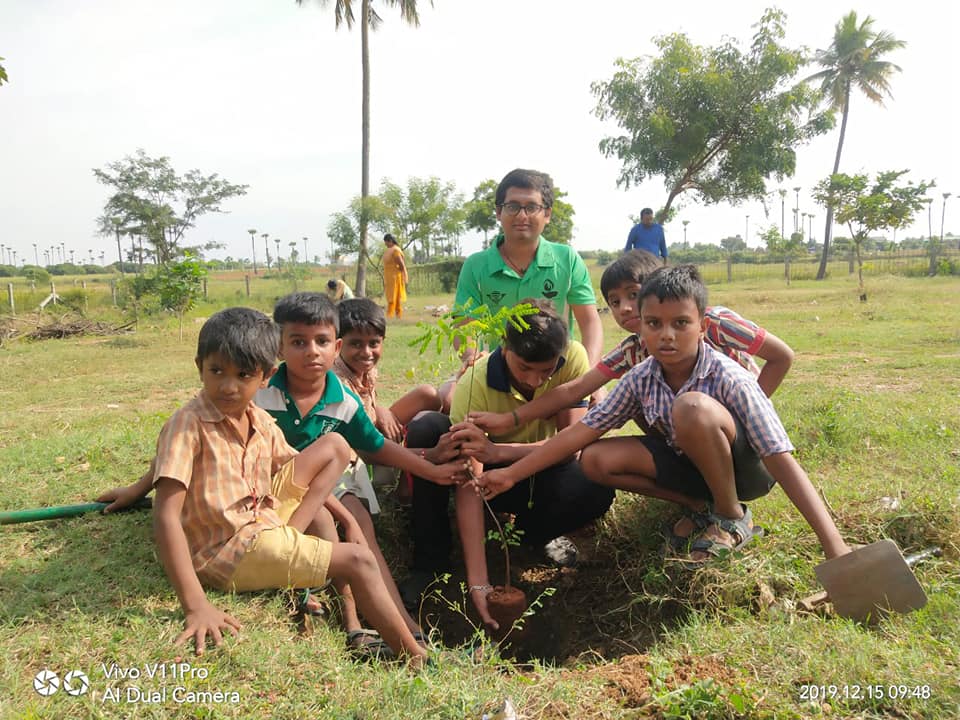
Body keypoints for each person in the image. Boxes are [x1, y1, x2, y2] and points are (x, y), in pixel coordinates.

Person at [476, 266, 851, 567]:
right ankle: (701, 507)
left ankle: (731, 517)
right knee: (594, 458)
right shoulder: (640, 375)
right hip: (691, 463)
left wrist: (834, 546)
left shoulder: (729, 376)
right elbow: (582, 431)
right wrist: (510, 473)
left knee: (691, 406)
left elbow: (779, 459)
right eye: (654, 323)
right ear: (640, 326)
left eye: (680, 323)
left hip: (747, 468)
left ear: (703, 325)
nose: (666, 335)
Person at [142, 307, 428, 662]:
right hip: (228, 551)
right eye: (216, 371)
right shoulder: (187, 425)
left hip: (261, 520)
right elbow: (166, 516)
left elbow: (296, 468)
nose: (228, 386)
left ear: (265, 376)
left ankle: (344, 613)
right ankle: (415, 657)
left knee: (335, 454)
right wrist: (195, 605)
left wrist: (350, 519)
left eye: (243, 374)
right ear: (199, 366)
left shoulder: (258, 419)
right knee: (358, 558)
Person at [400, 301, 615, 624]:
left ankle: (532, 537)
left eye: (546, 370)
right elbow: (468, 482)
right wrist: (478, 582)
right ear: (504, 348)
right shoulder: (476, 385)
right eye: (524, 368)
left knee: (593, 485)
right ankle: (430, 562)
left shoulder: (573, 358)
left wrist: (499, 452)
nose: (535, 380)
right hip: (488, 479)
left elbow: (570, 445)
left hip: (539, 465)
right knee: (428, 429)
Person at [468, 250, 794, 436]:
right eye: (614, 301)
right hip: (688, 428)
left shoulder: (716, 323)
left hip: (731, 421)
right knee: (637, 397)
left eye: (634, 296)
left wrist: (752, 412)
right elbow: (574, 389)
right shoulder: (634, 350)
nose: (624, 308)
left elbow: (781, 357)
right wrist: (513, 419)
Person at [453, 168, 603, 367]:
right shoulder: (476, 265)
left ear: (547, 214)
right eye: (512, 206)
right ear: (499, 212)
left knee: (603, 399)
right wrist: (474, 362)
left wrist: (587, 378)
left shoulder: (567, 259)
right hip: (496, 371)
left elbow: (590, 322)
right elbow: (464, 328)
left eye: (532, 207)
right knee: (445, 397)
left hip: (556, 371)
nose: (522, 215)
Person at [382, 233, 408, 318]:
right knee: (392, 296)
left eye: (386, 242)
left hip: (395, 277)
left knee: (393, 297)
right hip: (389, 278)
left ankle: (391, 315)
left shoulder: (396, 250)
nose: (385, 244)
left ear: (390, 241)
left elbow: (401, 264)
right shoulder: (389, 250)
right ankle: (396, 315)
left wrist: (402, 274)